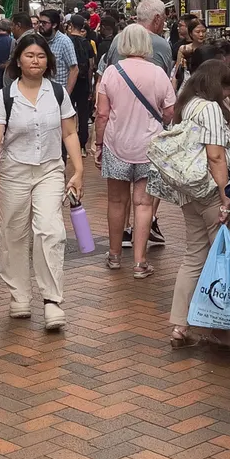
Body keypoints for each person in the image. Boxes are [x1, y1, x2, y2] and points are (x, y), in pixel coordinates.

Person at [0, 33, 83, 331]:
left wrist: (77, 169)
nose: (35, 61)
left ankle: (52, 301)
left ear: (48, 61)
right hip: (14, 171)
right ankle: (19, 295)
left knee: (50, 231)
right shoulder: (5, 96)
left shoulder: (57, 93)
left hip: (50, 170)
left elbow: (69, 133)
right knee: (13, 232)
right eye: (29, 56)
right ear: (18, 60)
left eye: (40, 56)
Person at [160, 60, 230, 350]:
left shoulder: (187, 104)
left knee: (194, 256)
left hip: (189, 190)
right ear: (218, 85)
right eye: (228, 87)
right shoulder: (211, 108)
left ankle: (180, 325)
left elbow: (203, 144)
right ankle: (222, 328)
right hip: (210, 189)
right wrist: (224, 195)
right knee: (224, 259)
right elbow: (215, 155)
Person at [94, 24, 175, 277]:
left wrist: (97, 144)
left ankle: (115, 255)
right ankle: (140, 263)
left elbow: (102, 114)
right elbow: (170, 110)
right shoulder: (158, 73)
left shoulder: (110, 72)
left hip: (117, 143)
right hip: (150, 147)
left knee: (117, 201)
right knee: (144, 203)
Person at [104, 0, 174, 77]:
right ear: (157, 19)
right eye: (163, 19)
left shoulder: (118, 39)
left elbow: (108, 68)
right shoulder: (162, 45)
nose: (164, 23)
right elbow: (165, 80)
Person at [65, 11, 95, 150]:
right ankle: (82, 144)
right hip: (83, 83)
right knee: (83, 114)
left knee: (68, 113)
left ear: (70, 25)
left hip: (69, 82)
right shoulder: (87, 43)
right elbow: (91, 66)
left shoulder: (66, 41)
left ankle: (68, 143)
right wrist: (90, 87)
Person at [36, 10, 79, 94]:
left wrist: (66, 94)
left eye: (44, 23)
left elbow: (74, 70)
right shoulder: (38, 39)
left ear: (54, 25)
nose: (40, 25)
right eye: (39, 22)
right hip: (40, 90)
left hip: (58, 91)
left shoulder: (64, 42)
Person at [174, 17, 209, 88]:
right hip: (187, 85)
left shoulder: (209, 49)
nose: (201, 34)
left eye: (203, 31)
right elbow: (177, 72)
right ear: (191, 33)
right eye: (198, 32)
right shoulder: (184, 49)